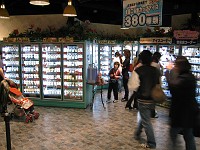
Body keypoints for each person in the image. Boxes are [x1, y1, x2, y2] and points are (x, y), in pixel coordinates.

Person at [128, 50, 160, 149]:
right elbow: (159, 84)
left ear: (141, 59)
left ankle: (151, 143)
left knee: (146, 121)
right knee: (145, 117)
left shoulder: (138, 70)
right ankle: (137, 133)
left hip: (143, 99)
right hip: (153, 98)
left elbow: (132, 86)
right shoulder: (156, 70)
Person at [165, 56, 198, 150]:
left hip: (181, 112)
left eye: (176, 65)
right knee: (188, 135)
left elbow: (173, 88)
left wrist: (167, 74)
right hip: (189, 111)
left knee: (174, 135)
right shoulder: (190, 76)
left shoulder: (184, 78)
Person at [150, 52, 163, 118]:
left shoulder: (150, 63)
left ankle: (150, 112)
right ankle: (152, 112)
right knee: (153, 99)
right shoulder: (157, 65)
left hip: (149, 83)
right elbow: (160, 74)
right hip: (155, 83)